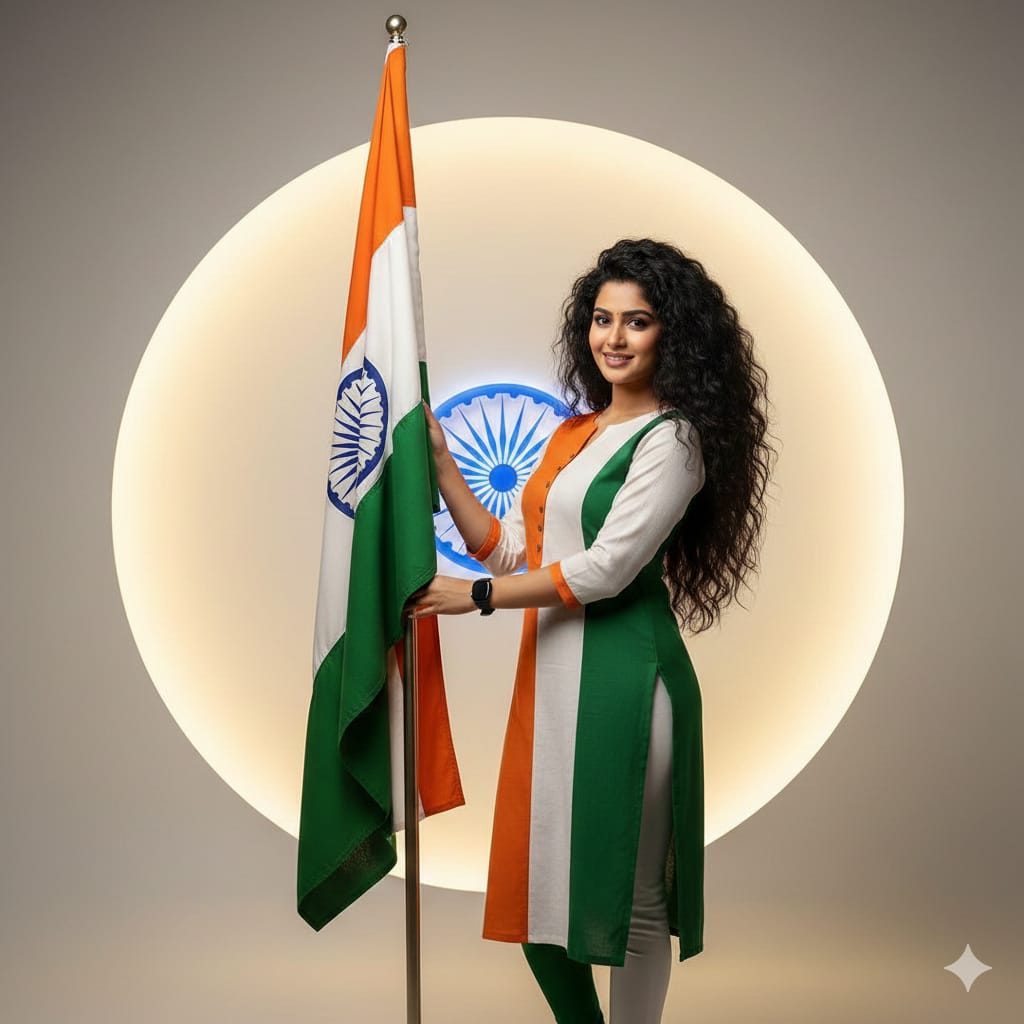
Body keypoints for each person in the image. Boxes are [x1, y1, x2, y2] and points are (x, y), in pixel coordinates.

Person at [408, 238, 774, 1023]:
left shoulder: (673, 440)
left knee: (631, 904)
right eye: (602, 319)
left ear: (671, 334)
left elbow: (605, 572)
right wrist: (445, 470)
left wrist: (472, 596)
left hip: (628, 684)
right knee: (538, 900)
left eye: (636, 322)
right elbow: (515, 550)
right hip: (549, 686)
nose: (613, 338)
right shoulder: (572, 433)